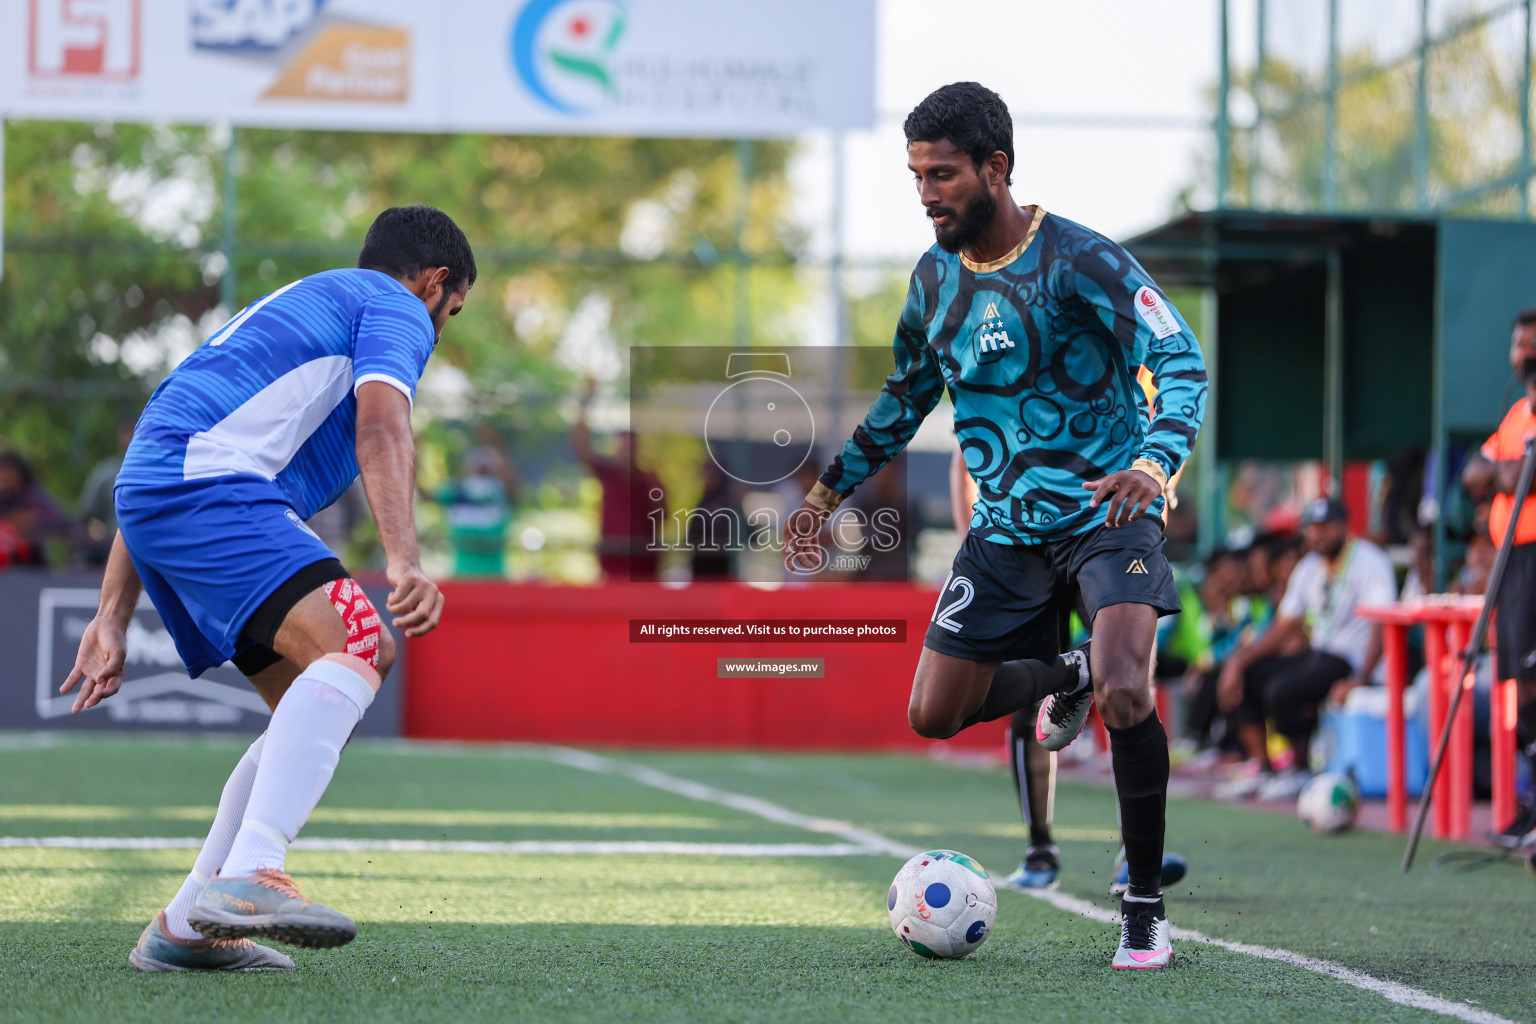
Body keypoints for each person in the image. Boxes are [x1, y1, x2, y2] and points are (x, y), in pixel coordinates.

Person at [783, 82, 1206, 969]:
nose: (928, 192)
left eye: (942, 175)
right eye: (916, 177)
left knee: (1131, 691)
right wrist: (825, 498)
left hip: (1108, 510)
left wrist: (1152, 464)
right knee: (935, 713)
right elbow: (903, 403)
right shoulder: (933, 282)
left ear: (995, 168)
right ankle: (1067, 669)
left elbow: (1179, 357)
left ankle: (1140, 905)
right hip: (1004, 530)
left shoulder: (1084, 260)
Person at [61, 205, 474, 972]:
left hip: (165, 495)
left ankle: (186, 926)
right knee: (359, 644)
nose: (441, 332)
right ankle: (252, 873)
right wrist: (405, 560)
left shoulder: (299, 308)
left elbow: (158, 449)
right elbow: (383, 427)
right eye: (451, 313)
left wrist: (110, 614)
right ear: (433, 282)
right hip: (211, 492)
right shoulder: (393, 306)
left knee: (308, 702)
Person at [949, 448, 1189, 896]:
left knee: (1129, 685)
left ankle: (1133, 857)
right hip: (1024, 543)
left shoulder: (1143, 386)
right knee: (1025, 683)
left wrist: (1157, 491)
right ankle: (1040, 848)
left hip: (1105, 537)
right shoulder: (1006, 384)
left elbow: (1170, 448)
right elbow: (964, 459)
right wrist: (974, 547)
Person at [1215, 497, 1396, 800]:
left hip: (1350, 660)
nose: (1318, 535)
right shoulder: (1310, 566)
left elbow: (1383, 624)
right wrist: (1239, 662)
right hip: (1319, 654)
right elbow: (1283, 625)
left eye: (1326, 527)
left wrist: (1361, 678)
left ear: (1344, 528)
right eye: (1313, 528)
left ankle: (1299, 768)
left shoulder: (1370, 561)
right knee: (1249, 678)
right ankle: (1262, 767)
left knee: (1283, 689)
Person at [1461, 306, 1536, 845]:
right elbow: (1476, 471)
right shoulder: (1518, 415)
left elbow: (1511, 473)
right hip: (1511, 561)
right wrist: (1502, 475)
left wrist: (1503, 475)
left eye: (1533, 344)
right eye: (1519, 344)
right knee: (1521, 683)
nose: (1524, 354)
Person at [573, 380, 664, 582]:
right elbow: (580, 446)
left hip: (643, 565)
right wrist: (585, 402)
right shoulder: (608, 472)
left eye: (630, 448)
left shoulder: (648, 479)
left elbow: (663, 515)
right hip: (612, 562)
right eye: (623, 448)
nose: (626, 454)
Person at [430, 428, 521, 578]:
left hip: (495, 577)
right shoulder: (457, 492)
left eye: (485, 465)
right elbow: (428, 497)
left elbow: (513, 486)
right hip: (462, 575)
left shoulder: (499, 491)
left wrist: (496, 446)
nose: (480, 468)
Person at [0, 450, 72, 566]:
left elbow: (64, 522)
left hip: (33, 569)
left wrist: (35, 520)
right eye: (2, 471)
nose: (5, 476)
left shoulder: (34, 498)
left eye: (10, 471)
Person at [78, 418, 135, 565]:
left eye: (134, 433)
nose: (129, 438)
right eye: (126, 433)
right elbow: (87, 516)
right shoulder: (105, 474)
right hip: (109, 545)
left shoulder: (159, 472)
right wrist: (98, 534)